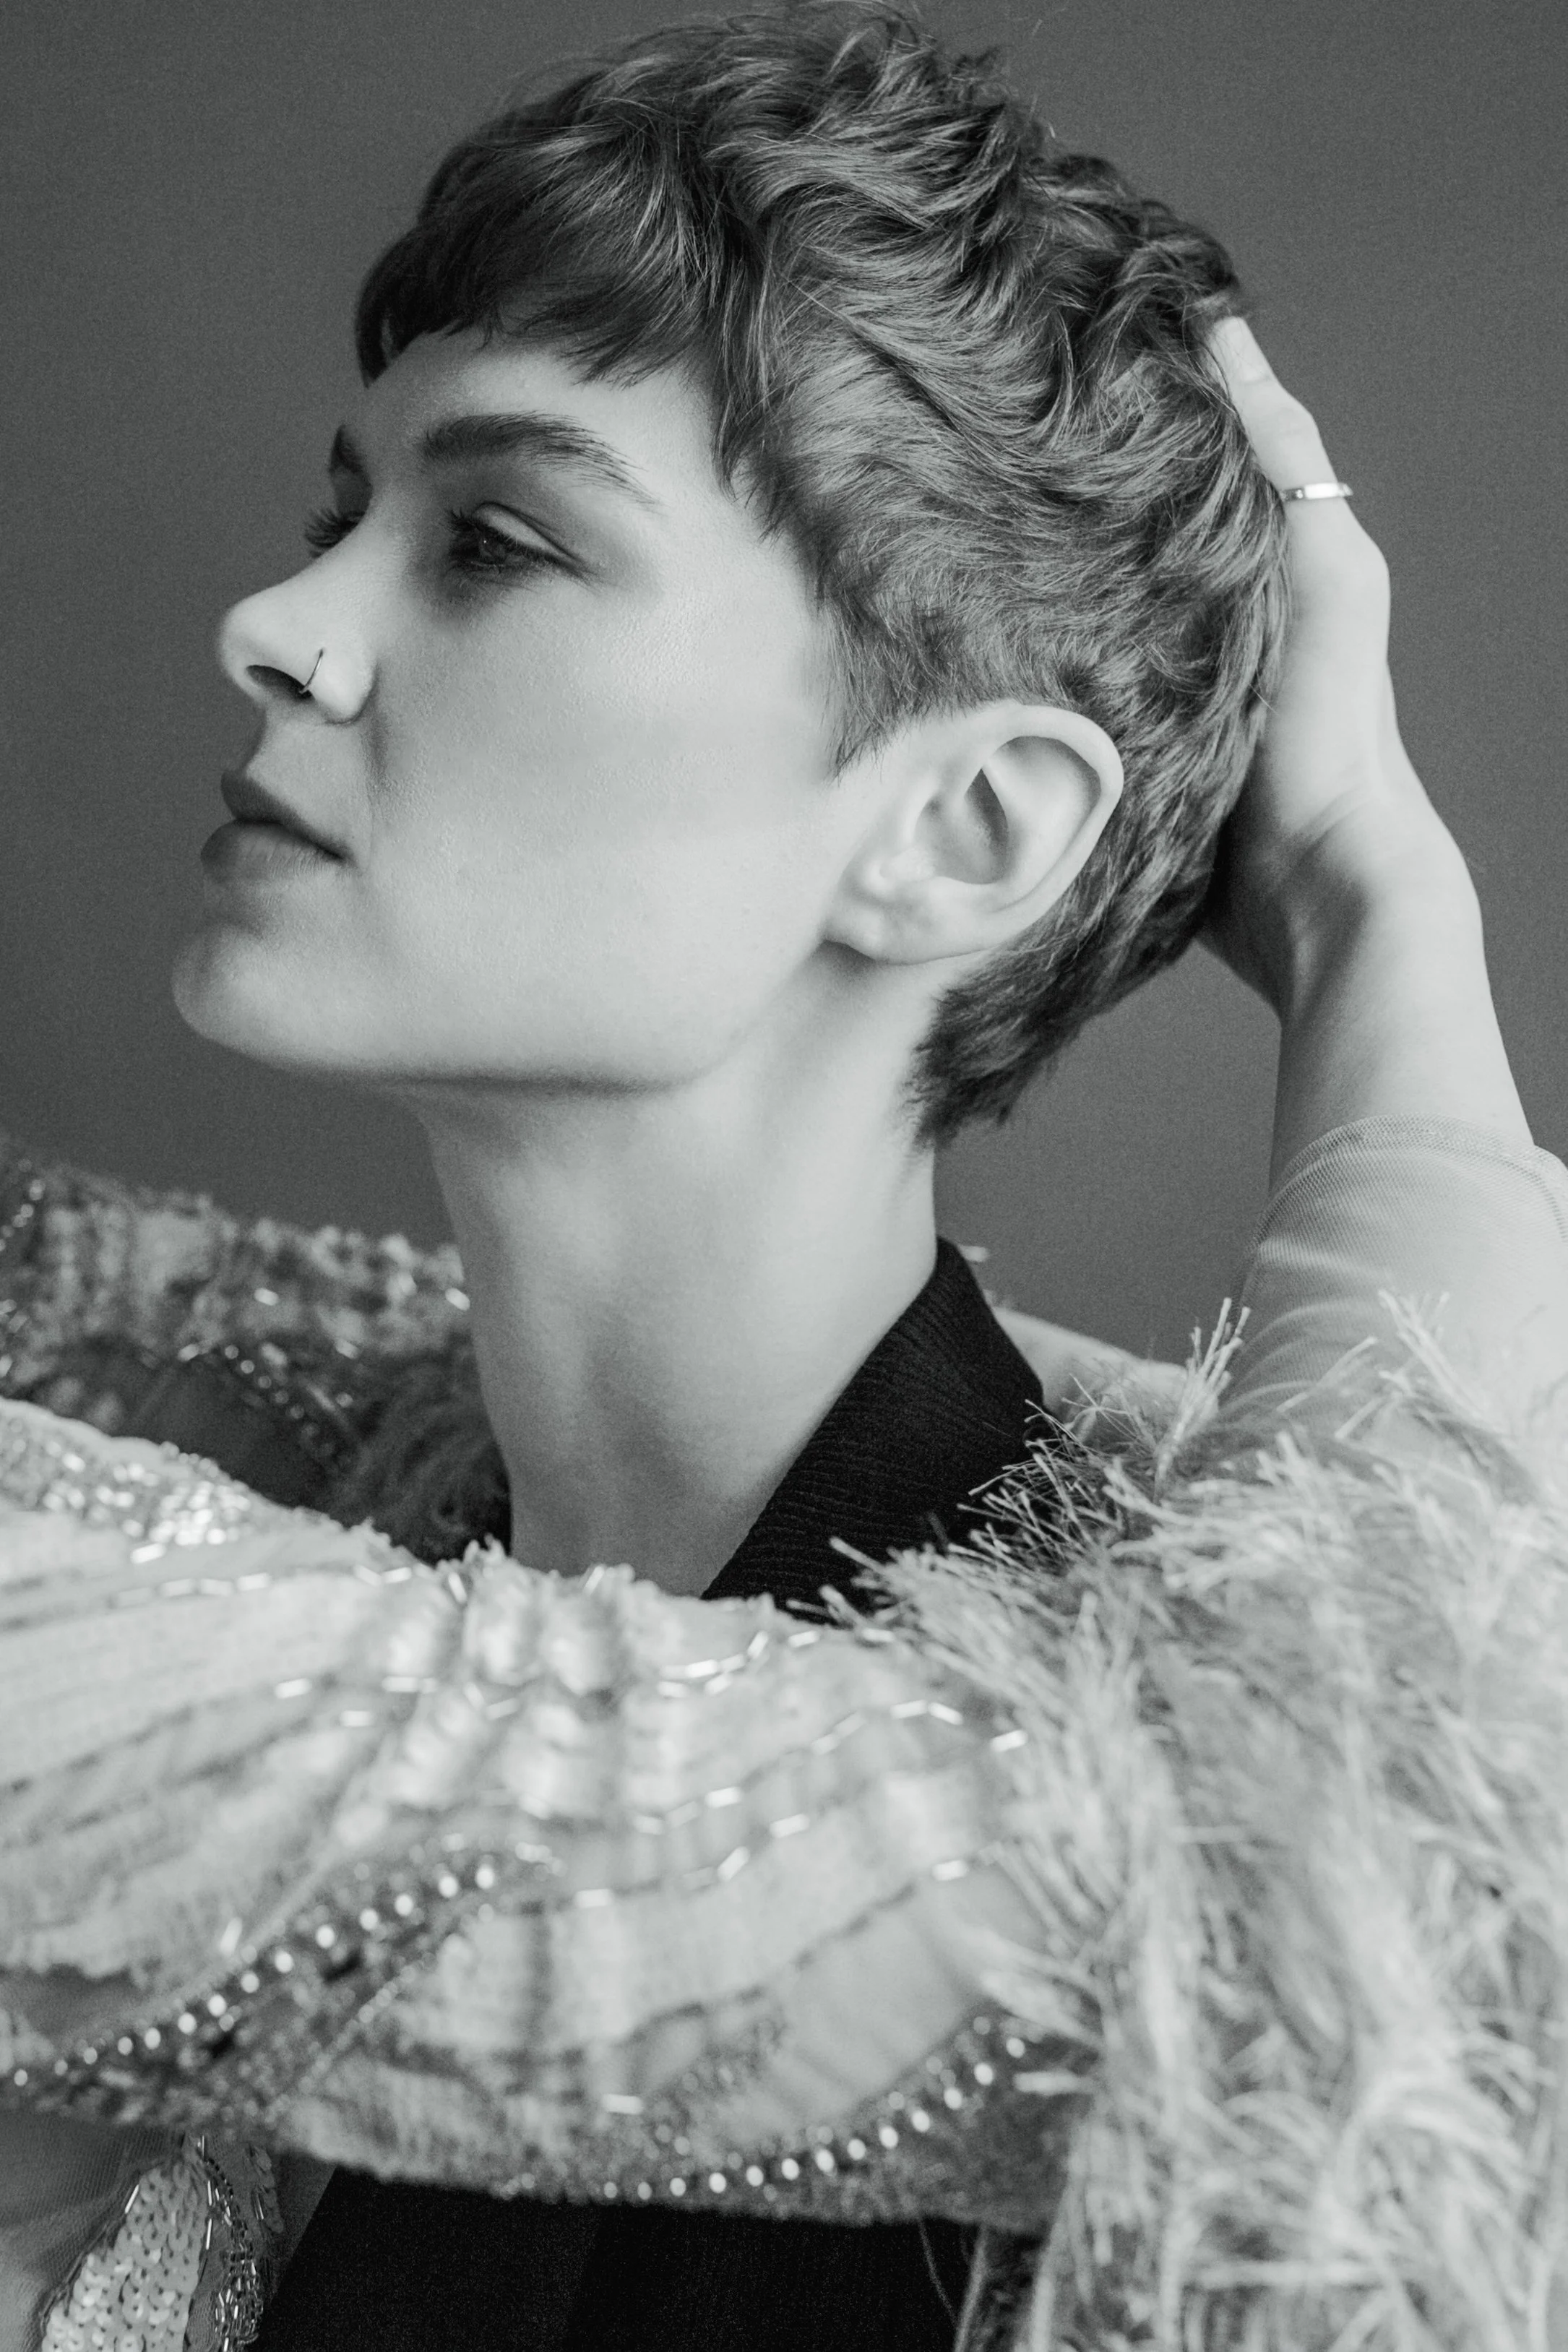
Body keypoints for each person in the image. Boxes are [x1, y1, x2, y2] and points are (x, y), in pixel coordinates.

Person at [1, 8, 1566, 2351]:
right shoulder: (162, 1437)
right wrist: (1371, 907)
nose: (281, 620)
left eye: (495, 536)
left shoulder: (1131, 1594)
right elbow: (1324, 1910)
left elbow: (1357, 1945)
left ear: (964, 829)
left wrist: (1376, 909)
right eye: (348, 513)